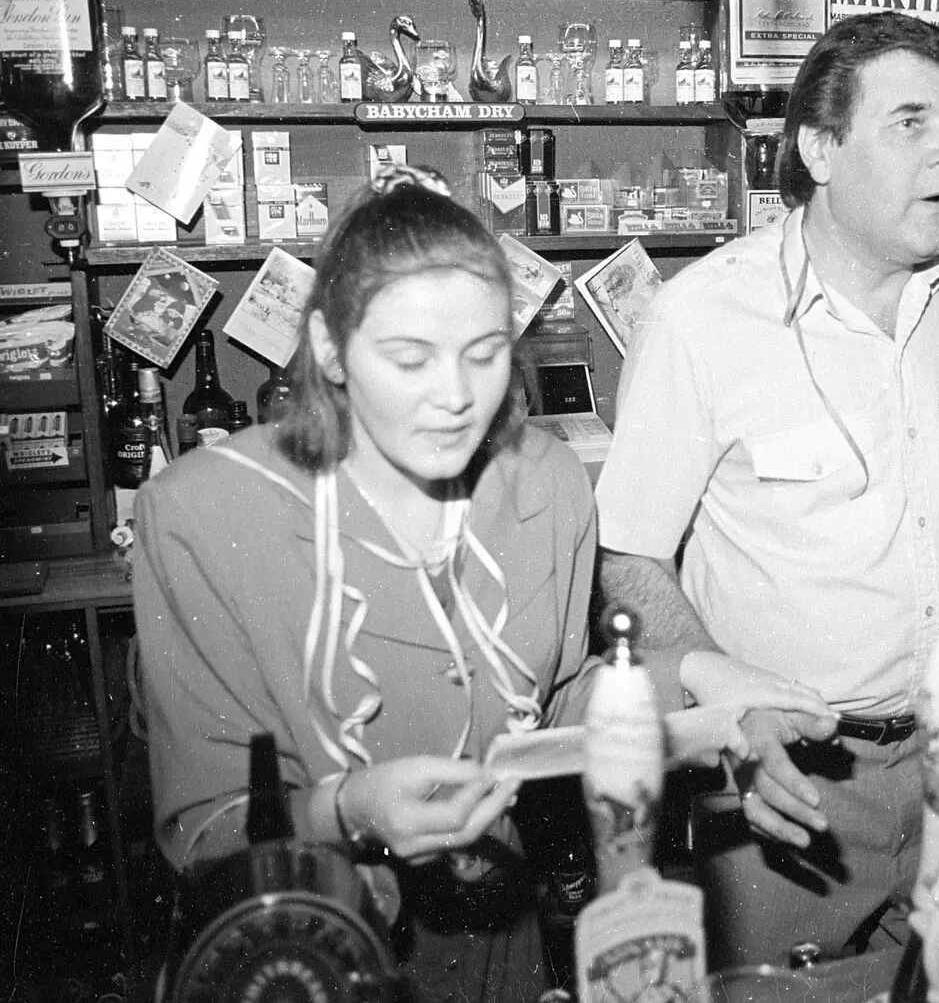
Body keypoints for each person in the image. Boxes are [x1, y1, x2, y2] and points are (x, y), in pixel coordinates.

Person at [134, 166, 831, 1001]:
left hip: (503, 944)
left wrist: (699, 679)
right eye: (409, 358)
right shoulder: (203, 514)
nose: (456, 398)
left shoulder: (543, 482)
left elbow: (558, 701)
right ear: (328, 349)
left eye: (484, 352)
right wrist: (349, 808)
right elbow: (202, 825)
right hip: (304, 958)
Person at [594, 12, 939, 965]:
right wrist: (733, 720)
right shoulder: (703, 316)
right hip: (787, 784)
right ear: (819, 149)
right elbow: (631, 559)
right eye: (910, 123)